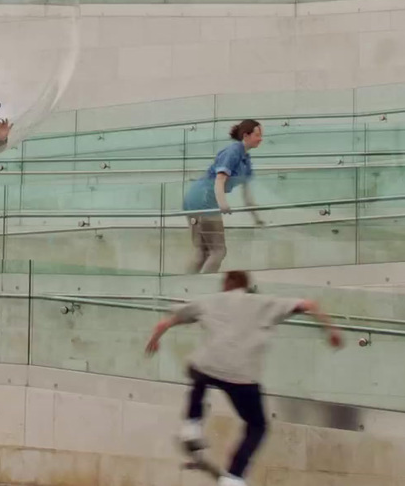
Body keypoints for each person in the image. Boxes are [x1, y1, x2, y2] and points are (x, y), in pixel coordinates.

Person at [144, 270, 343, 486]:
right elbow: (309, 304)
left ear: (225, 284)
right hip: (243, 377)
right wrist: (331, 330)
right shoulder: (264, 303)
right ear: (247, 286)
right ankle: (234, 476)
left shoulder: (210, 301)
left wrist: (155, 340)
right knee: (257, 426)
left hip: (209, 366)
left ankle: (191, 425)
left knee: (197, 371)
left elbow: (163, 324)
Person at [183, 119, 263, 274]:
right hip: (204, 199)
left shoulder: (246, 159)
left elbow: (247, 192)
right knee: (218, 251)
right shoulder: (233, 151)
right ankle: (200, 288)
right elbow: (220, 179)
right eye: (257, 135)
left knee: (202, 252)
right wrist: (223, 204)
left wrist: (257, 217)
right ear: (246, 136)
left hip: (195, 198)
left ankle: (185, 286)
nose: (261, 139)